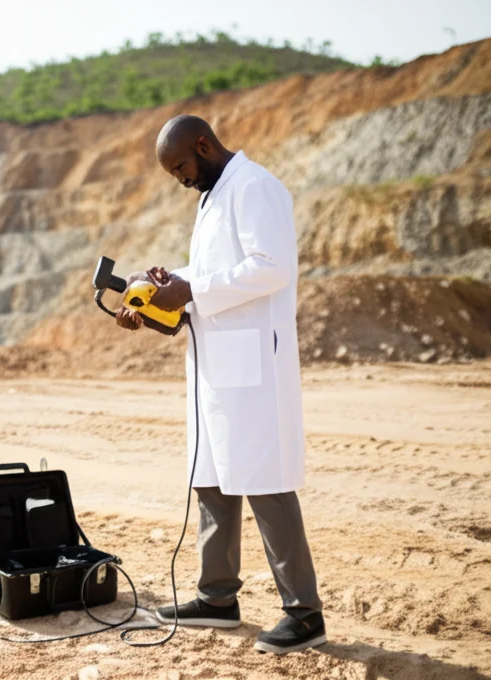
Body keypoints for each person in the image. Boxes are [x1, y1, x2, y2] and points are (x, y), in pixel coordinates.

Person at [116, 114, 326, 655]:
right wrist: (165, 290)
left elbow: (270, 268)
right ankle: (216, 598)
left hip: (254, 364)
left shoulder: (255, 186)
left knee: (265, 480)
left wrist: (192, 288)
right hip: (216, 363)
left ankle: (303, 613)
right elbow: (213, 274)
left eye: (182, 167)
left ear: (203, 145)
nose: (181, 179)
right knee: (210, 475)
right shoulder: (213, 195)